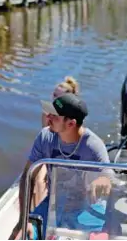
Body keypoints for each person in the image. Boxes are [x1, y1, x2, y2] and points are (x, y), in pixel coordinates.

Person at [16, 93, 112, 239]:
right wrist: (24, 221)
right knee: (20, 236)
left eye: (54, 116)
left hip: (87, 208)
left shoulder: (93, 145)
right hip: (53, 204)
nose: (48, 118)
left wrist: (103, 180)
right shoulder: (45, 137)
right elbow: (27, 177)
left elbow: (108, 174)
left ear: (71, 124)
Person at [34, 76, 80, 208]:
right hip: (50, 153)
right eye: (54, 95)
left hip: (69, 156)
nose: (55, 100)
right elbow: (45, 139)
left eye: (59, 98)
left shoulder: (76, 117)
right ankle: (37, 214)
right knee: (38, 178)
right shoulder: (47, 113)